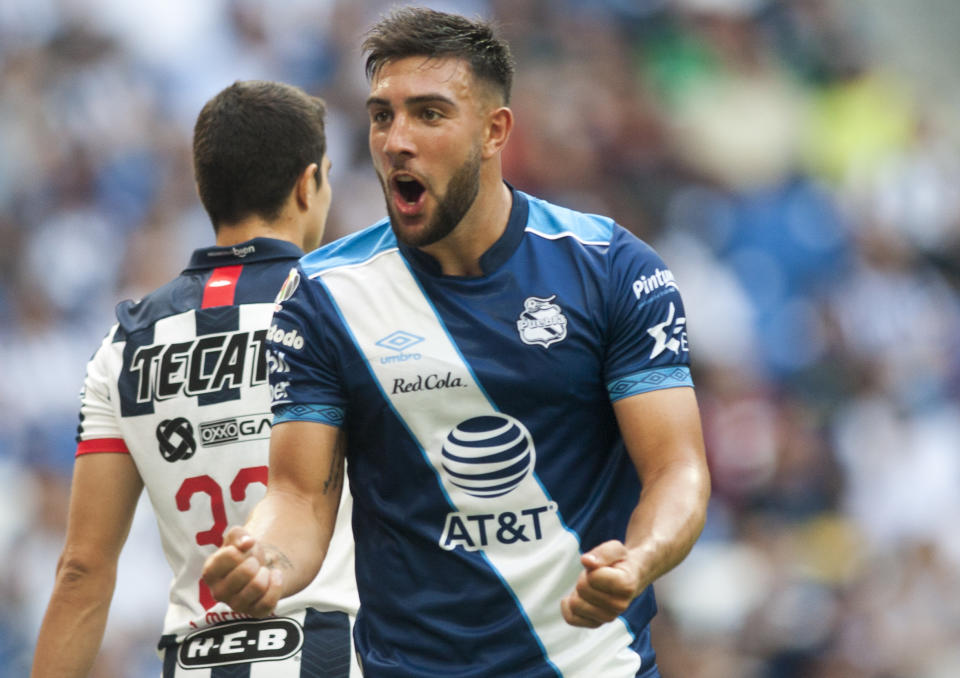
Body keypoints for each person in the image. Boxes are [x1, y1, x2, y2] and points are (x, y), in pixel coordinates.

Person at [203, 8, 710, 678]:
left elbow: (678, 469)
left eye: (429, 114)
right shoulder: (324, 295)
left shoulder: (612, 268)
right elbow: (298, 496)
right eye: (383, 115)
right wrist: (265, 558)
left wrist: (640, 558)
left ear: (495, 131)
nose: (395, 142)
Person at [31, 80, 359, 678]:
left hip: (194, 660)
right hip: (337, 652)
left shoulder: (124, 344)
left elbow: (82, 570)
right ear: (308, 184)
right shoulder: (348, 309)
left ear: (208, 189)